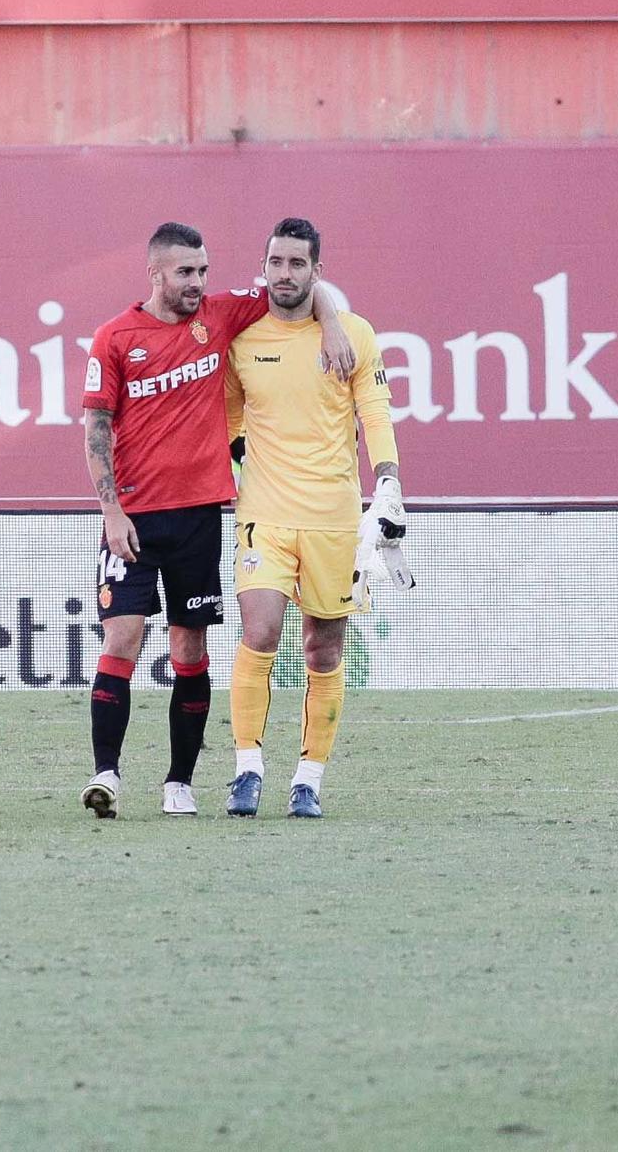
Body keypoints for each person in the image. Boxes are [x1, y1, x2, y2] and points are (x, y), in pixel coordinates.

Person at [79, 222, 352, 820]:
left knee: (188, 645)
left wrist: (331, 320)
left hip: (201, 514)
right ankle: (106, 774)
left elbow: (300, 289)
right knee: (122, 636)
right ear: (155, 273)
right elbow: (96, 428)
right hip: (133, 516)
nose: (197, 283)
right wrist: (110, 509)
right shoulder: (114, 338)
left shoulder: (222, 316)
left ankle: (180, 781)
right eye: (185, 273)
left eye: (203, 271)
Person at [222, 218, 403, 820]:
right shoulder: (243, 337)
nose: (285, 274)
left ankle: (309, 779)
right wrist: (227, 472)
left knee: (323, 650)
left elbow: (374, 409)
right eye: (276, 262)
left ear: (316, 271)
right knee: (261, 630)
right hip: (265, 515)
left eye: (298, 264)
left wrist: (389, 478)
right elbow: (227, 421)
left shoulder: (352, 335)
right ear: (264, 265)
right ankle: (247, 768)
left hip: (332, 517)